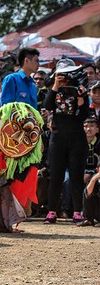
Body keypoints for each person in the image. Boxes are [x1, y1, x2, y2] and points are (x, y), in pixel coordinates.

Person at [43, 60, 89, 224]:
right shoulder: (54, 90)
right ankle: (51, 212)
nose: (63, 77)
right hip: (57, 137)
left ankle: (77, 212)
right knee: (56, 176)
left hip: (77, 139)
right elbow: (48, 105)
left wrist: (82, 98)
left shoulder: (80, 90)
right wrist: (55, 85)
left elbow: (83, 116)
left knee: (76, 176)